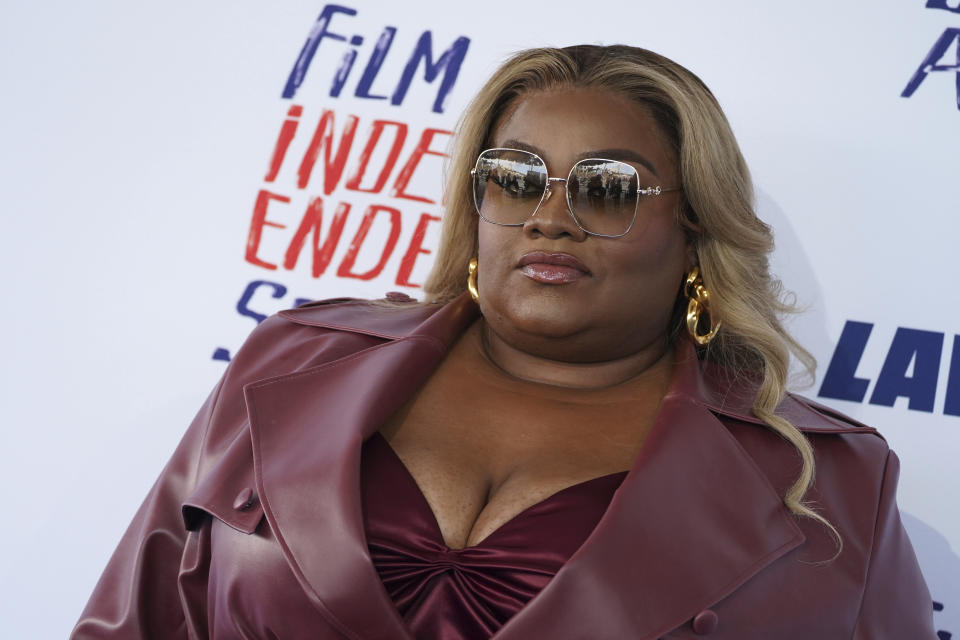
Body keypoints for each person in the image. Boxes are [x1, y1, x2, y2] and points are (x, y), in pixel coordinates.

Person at [71, 45, 937, 639]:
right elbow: (135, 620)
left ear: (696, 225)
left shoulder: (827, 482)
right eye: (515, 177)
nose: (550, 217)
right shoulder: (295, 360)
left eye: (608, 190)